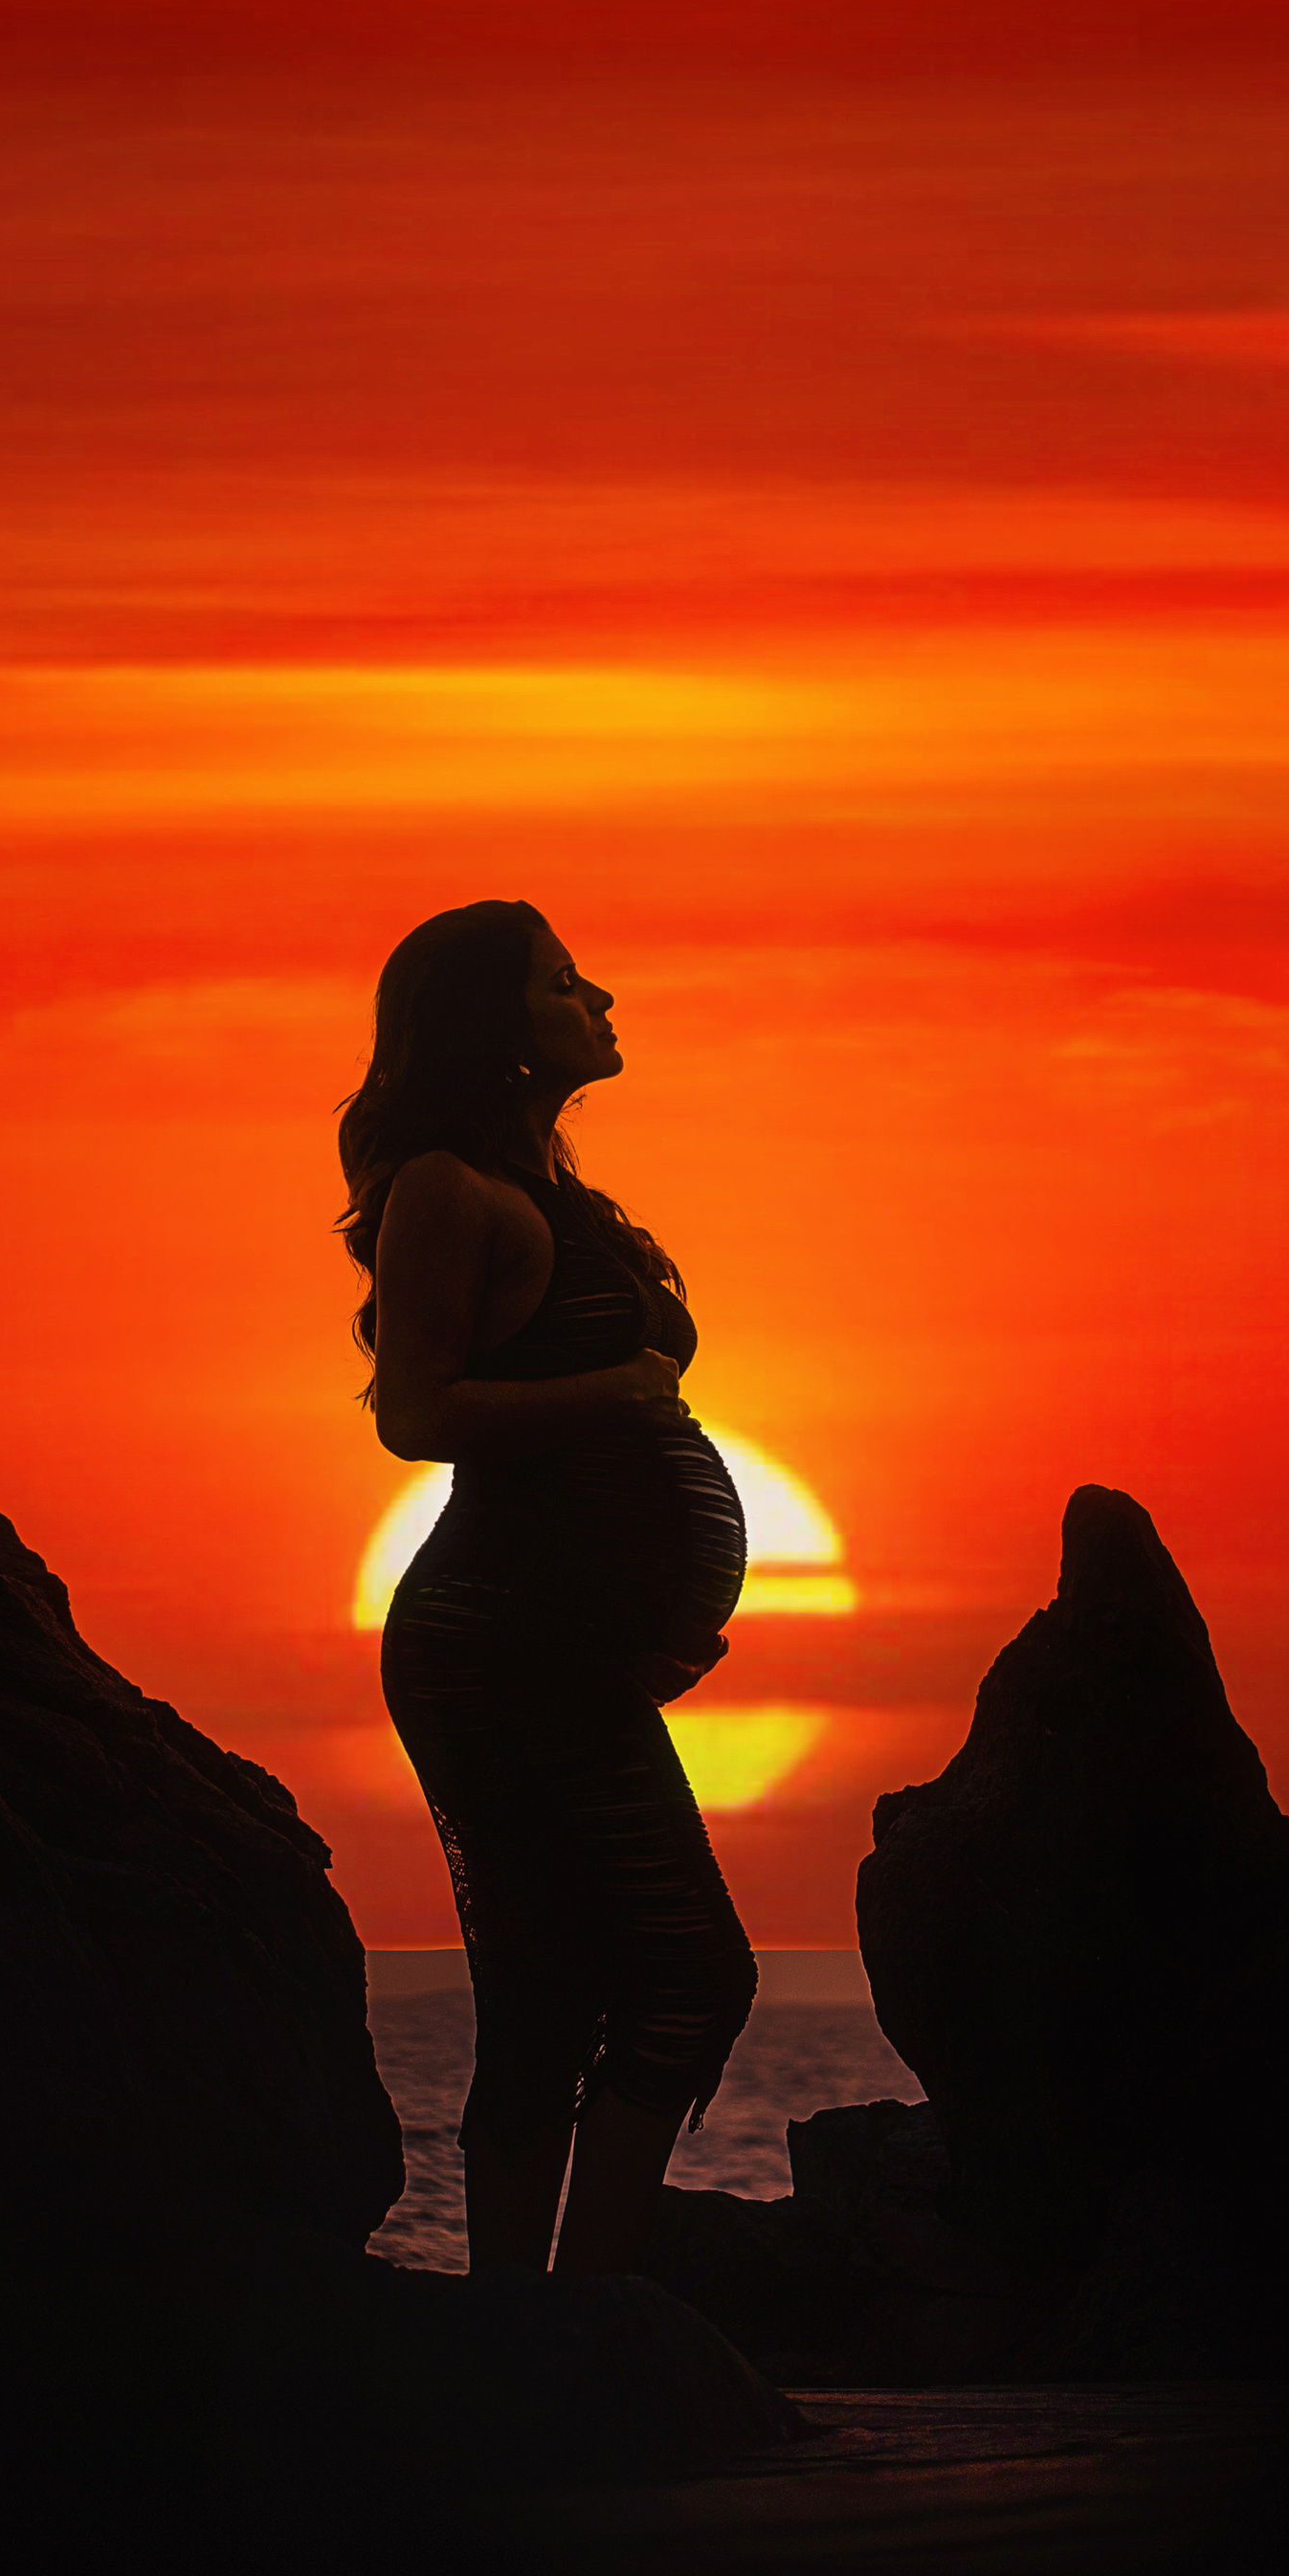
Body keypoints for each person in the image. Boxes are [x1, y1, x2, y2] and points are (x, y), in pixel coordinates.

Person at [335, 899, 757, 2274]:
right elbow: (416, 1413)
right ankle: (567, 2324)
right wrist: (620, 1391)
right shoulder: (443, 1190)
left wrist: (659, 1607)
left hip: (567, 1639)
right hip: (497, 1638)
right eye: (567, 983)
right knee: (657, 1978)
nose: (603, 1001)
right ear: (496, 1028)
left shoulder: (557, 1201)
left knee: (581, 1985)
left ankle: (556, 2322)